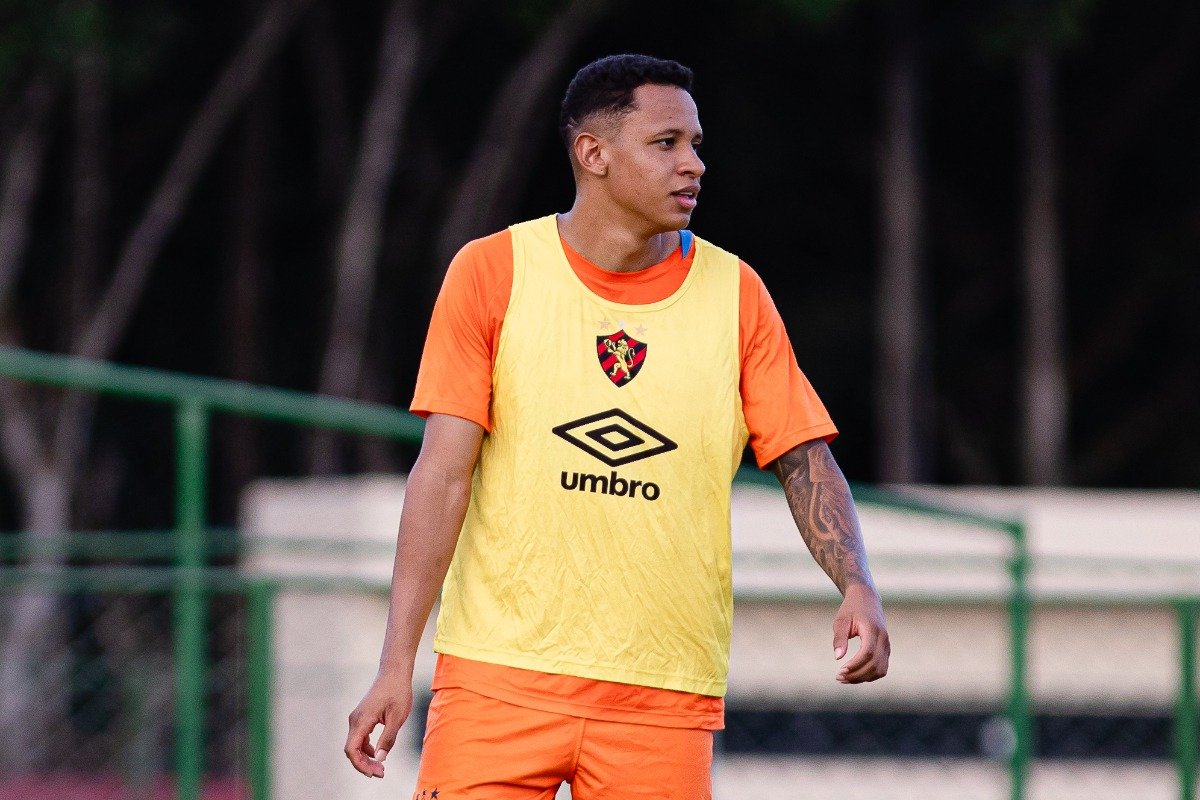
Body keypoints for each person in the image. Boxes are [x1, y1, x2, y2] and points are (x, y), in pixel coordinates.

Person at [345, 53, 889, 799]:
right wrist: (393, 665)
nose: (693, 164)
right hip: (498, 683)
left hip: (661, 696)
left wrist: (856, 582)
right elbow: (441, 475)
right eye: (666, 143)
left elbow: (803, 458)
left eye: (696, 145)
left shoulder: (736, 293)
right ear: (592, 154)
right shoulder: (492, 272)